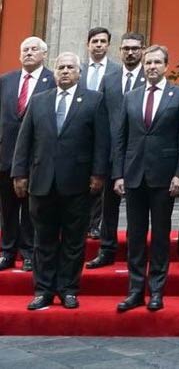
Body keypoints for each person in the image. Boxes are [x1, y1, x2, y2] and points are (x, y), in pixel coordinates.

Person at [12, 52, 109, 310]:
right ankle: (43, 290)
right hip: (42, 183)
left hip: (78, 184)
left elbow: (101, 142)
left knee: (73, 241)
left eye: (70, 67)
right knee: (43, 240)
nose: (65, 71)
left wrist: (99, 174)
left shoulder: (94, 100)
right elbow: (25, 141)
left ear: (79, 72)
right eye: (60, 67)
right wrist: (19, 173)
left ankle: (67, 289)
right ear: (54, 72)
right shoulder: (39, 101)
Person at [114, 45, 179, 312]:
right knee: (135, 236)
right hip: (134, 175)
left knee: (160, 236)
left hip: (164, 176)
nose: (151, 67)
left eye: (157, 62)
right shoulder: (131, 97)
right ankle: (135, 290)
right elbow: (121, 138)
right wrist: (118, 174)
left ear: (166, 66)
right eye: (148, 63)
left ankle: (157, 290)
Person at [87, 32, 146, 269]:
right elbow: (101, 118)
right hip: (112, 153)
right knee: (108, 206)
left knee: (137, 208)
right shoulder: (109, 78)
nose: (130, 52)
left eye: (135, 48)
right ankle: (106, 249)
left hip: (140, 155)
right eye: (125, 48)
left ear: (143, 49)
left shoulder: (149, 76)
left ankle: (136, 251)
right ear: (119, 51)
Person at [0, 36, 54, 271]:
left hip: (37, 156)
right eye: (25, 49)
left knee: (34, 209)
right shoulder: (6, 80)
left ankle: (29, 252)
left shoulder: (52, 80)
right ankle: (7, 250)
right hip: (6, 154)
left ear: (44, 54)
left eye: (34, 49)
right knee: (8, 207)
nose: (29, 53)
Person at [80, 27, 120, 240]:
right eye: (95, 41)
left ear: (108, 45)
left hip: (106, 130)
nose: (98, 45)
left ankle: (95, 224)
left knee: (100, 178)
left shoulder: (117, 71)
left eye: (103, 41)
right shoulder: (78, 69)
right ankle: (80, 221)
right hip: (81, 131)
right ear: (88, 44)